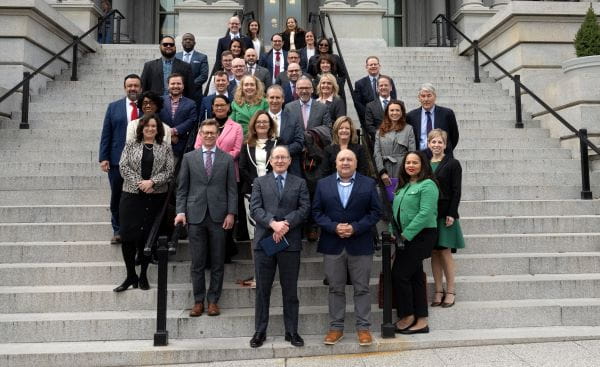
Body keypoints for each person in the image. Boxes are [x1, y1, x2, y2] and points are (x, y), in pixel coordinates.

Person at [312, 149, 382, 346]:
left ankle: (364, 328)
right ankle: (336, 328)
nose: (345, 162)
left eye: (349, 159)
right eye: (341, 159)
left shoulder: (368, 184)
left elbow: (376, 212)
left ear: (356, 163)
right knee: (335, 288)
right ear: (335, 163)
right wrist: (334, 227)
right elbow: (316, 212)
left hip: (360, 244)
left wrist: (355, 228)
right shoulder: (323, 184)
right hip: (332, 244)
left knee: (362, 288)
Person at [248, 146, 310, 348]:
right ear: (270, 161)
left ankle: (292, 331)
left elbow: (304, 208)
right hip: (265, 242)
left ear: (290, 160)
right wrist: (273, 223)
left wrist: (286, 224)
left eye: (284, 157)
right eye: (276, 157)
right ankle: (260, 331)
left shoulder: (299, 183)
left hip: (289, 243)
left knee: (290, 290)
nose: (280, 160)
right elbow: (255, 208)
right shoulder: (259, 182)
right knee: (262, 290)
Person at [175, 119, 237, 318]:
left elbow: (231, 190)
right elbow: (182, 188)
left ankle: (213, 301)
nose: (209, 136)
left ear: (217, 135)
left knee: (218, 261)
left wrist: (231, 213)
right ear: (200, 135)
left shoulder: (226, 159)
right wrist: (181, 211)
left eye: (212, 133)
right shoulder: (188, 158)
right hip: (195, 215)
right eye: (205, 133)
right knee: (198, 262)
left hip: (219, 216)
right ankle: (198, 301)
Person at [114, 113, 174, 292]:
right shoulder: (131, 145)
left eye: (154, 126)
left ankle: (144, 275)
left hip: (155, 196)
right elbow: (123, 166)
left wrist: (152, 182)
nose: (150, 129)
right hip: (131, 196)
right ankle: (130, 274)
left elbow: (170, 171)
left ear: (158, 129)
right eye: (147, 126)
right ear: (141, 128)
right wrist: (140, 183)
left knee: (148, 236)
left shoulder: (165, 147)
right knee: (128, 236)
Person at [391, 150, 439, 334]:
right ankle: (422, 320)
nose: (410, 165)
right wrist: (393, 233)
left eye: (415, 162)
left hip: (421, 236)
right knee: (416, 276)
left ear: (423, 165)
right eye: (408, 162)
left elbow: (425, 213)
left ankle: (408, 314)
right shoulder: (403, 186)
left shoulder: (428, 185)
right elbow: (396, 213)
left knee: (400, 274)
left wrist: (406, 234)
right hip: (404, 236)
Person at [99, 74, 142, 244]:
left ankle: (135, 229)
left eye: (136, 86)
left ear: (141, 87)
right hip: (117, 160)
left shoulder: (146, 107)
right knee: (117, 195)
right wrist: (104, 157)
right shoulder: (113, 107)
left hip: (140, 160)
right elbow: (106, 133)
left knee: (137, 197)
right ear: (125, 88)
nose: (133, 88)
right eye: (129, 86)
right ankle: (117, 229)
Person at [428, 129, 465, 309]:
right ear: (428, 144)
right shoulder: (425, 163)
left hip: (445, 214)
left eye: (439, 142)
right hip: (429, 215)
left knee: (444, 252)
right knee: (434, 252)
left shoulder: (453, 163)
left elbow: (456, 190)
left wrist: (452, 212)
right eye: (433, 142)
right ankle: (438, 290)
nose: (436, 145)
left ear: (445, 144)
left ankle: (450, 291)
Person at [239, 111, 278, 240]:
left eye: (265, 122)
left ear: (270, 125)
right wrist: (256, 184)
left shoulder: (277, 143)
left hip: (273, 190)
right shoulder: (246, 144)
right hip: (251, 191)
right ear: (254, 125)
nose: (262, 124)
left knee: (272, 226)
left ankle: (271, 259)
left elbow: (280, 165)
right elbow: (242, 167)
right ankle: (257, 260)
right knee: (253, 230)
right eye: (259, 122)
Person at [406, 83, 459, 156]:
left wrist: (443, 150)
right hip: (420, 157)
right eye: (423, 96)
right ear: (419, 98)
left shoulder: (447, 114)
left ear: (435, 96)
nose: (426, 99)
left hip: (442, 157)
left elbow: (454, 136)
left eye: (429, 95)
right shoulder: (411, 116)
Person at [374, 100, 416, 189]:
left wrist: (407, 171)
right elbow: (377, 153)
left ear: (402, 112)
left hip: (402, 169)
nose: (394, 113)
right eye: (392, 110)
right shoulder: (379, 131)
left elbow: (412, 152)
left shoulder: (408, 129)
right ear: (387, 112)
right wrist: (382, 172)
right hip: (385, 169)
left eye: (397, 110)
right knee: (385, 199)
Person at [266, 85, 304, 177]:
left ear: (283, 99)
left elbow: (299, 143)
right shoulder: (260, 119)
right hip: (265, 168)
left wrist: (281, 152)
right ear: (266, 99)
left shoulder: (293, 118)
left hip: (290, 169)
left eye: (278, 97)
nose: (274, 101)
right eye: (272, 97)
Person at [158, 73, 198, 158]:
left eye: (179, 83)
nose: (175, 86)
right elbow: (156, 119)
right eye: (172, 83)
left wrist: (175, 131)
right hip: (160, 144)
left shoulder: (191, 103)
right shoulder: (159, 101)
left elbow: (191, 120)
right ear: (168, 86)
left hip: (180, 145)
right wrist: (168, 134)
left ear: (183, 86)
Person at [353, 56, 397, 126]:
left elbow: (393, 99)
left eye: (375, 64)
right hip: (368, 122)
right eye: (371, 65)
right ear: (366, 67)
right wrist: (369, 115)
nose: (373, 66)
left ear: (379, 66)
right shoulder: (359, 83)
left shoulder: (388, 80)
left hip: (388, 120)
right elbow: (358, 104)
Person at [175, 33, 209, 106]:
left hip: (195, 94)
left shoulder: (202, 57)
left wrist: (190, 85)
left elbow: (203, 75)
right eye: (185, 39)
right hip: (177, 94)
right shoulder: (175, 57)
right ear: (182, 42)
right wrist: (179, 85)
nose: (188, 41)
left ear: (194, 43)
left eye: (190, 39)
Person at [365, 75, 394, 142]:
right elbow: (369, 126)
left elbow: (402, 123)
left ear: (391, 88)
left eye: (386, 85)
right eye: (381, 85)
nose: (383, 87)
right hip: (378, 142)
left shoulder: (399, 104)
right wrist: (382, 137)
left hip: (396, 142)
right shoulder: (370, 106)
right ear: (377, 89)